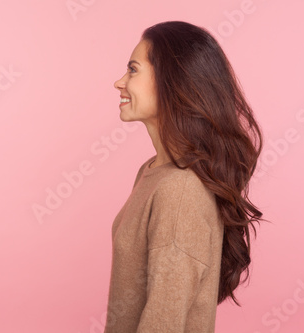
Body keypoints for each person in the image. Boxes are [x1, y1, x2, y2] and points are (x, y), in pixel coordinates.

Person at [103, 21, 265, 332]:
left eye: (133, 70)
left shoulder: (179, 192)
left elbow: (164, 323)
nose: (119, 82)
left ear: (171, 81)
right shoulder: (153, 172)